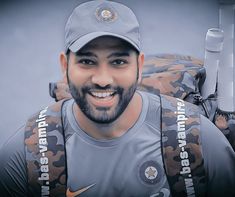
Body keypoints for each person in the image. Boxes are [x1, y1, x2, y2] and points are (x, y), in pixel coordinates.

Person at [0, 1, 235, 197]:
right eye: (87, 61)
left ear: (139, 66)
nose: (103, 79)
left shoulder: (199, 141)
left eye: (119, 62)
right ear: (65, 66)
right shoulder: (23, 156)